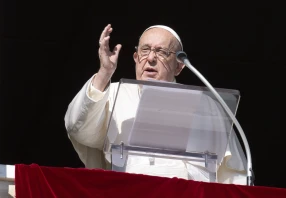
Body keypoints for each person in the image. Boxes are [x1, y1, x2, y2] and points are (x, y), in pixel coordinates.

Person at [64, 24, 247, 185]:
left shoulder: (207, 105)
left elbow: (234, 174)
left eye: (161, 52)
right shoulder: (113, 93)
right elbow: (77, 127)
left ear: (179, 66)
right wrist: (104, 72)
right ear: (135, 57)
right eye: (145, 50)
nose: (151, 58)